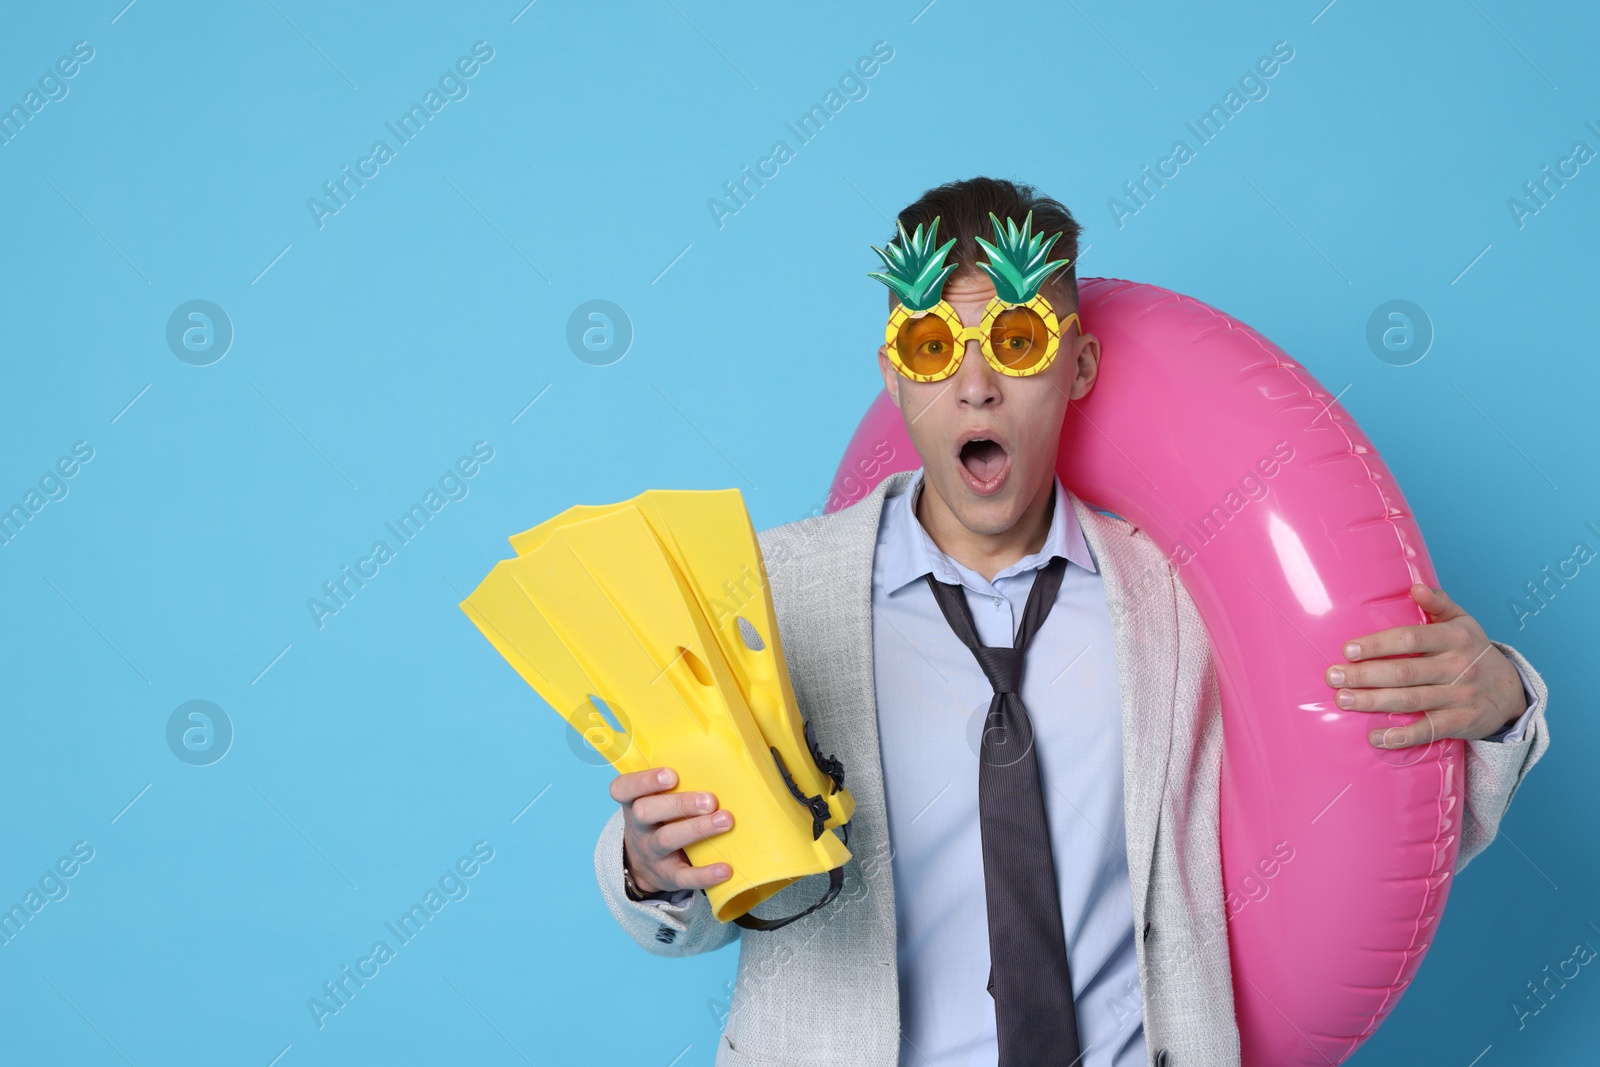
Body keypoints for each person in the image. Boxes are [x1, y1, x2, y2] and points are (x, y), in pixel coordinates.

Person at [592, 177, 1550, 1067]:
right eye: (934, 347)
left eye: (1015, 343)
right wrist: (648, 866)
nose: (975, 386)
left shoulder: (1181, 607)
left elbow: (1363, 832)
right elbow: (692, 887)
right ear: (894, 377)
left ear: (1079, 365)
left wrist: (1503, 701)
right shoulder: (768, 594)